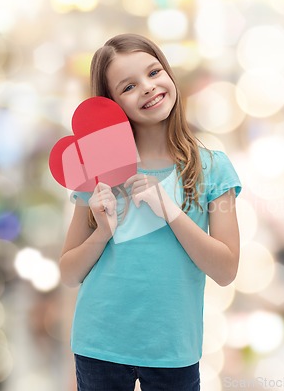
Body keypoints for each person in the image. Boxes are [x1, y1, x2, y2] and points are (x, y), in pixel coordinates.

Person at [59, 33, 241, 391]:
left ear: (169, 75)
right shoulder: (97, 168)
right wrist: (102, 232)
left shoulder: (212, 168)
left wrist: (169, 210)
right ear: (111, 103)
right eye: (128, 86)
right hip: (100, 344)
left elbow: (226, 269)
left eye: (154, 72)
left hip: (173, 348)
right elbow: (68, 272)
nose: (147, 87)